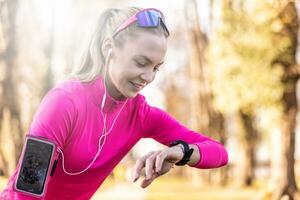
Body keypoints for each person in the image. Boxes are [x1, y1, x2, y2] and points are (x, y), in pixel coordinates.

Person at [0, 7, 228, 200]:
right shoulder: (63, 103)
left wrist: (181, 151)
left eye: (156, 68)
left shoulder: (141, 115)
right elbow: (27, 190)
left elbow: (219, 153)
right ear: (109, 47)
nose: (148, 77)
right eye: (141, 62)